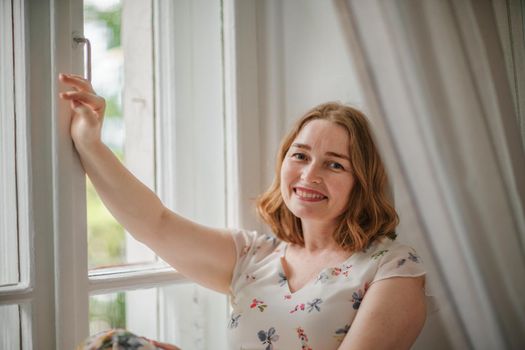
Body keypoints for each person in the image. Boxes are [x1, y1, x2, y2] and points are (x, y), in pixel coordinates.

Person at [60, 73, 428, 350]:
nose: (308, 175)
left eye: (334, 165)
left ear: (361, 182)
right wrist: (89, 141)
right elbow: (153, 223)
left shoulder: (391, 267)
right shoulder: (255, 255)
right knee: (109, 344)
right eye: (299, 156)